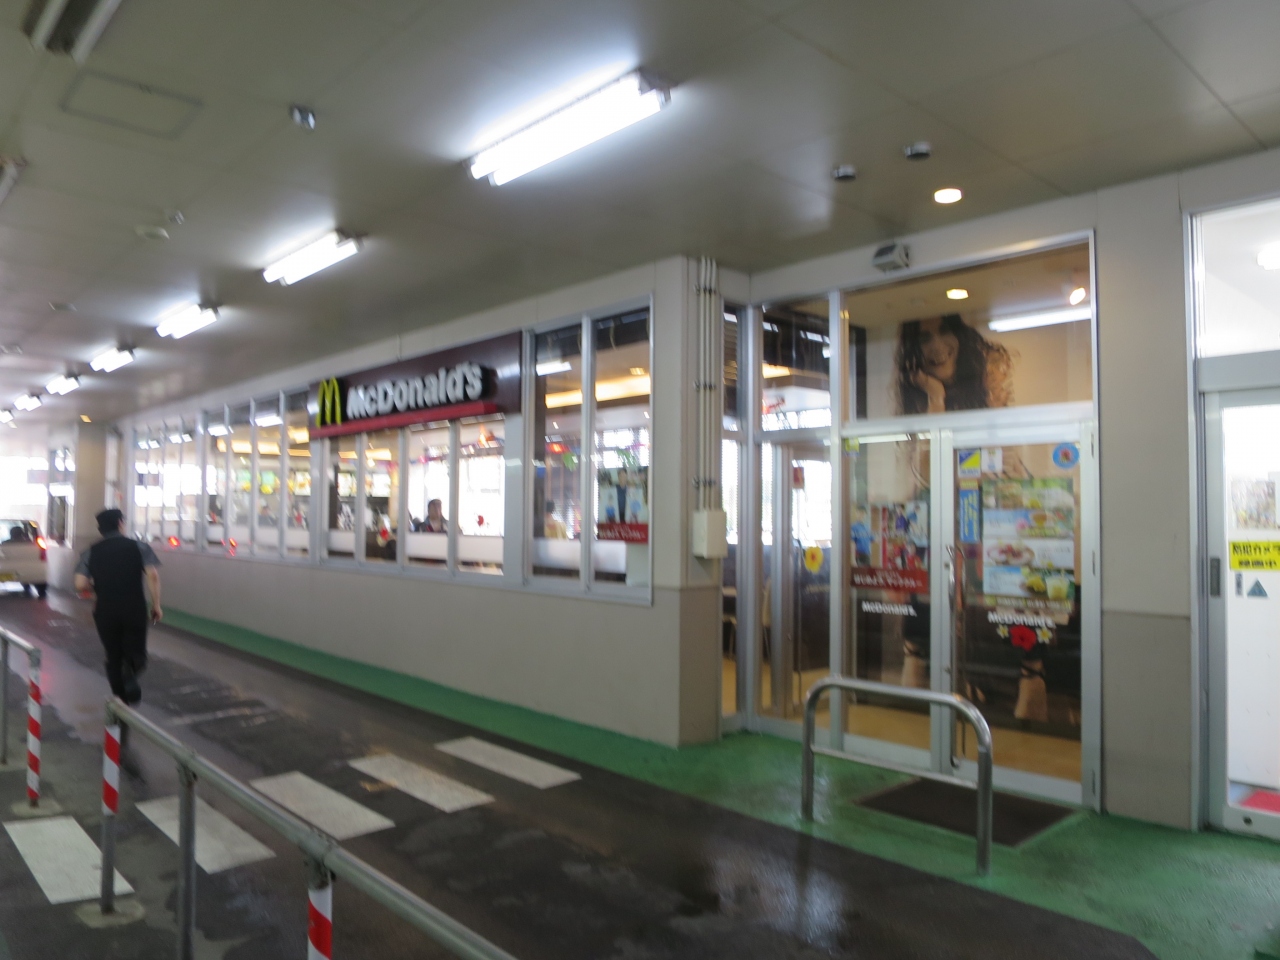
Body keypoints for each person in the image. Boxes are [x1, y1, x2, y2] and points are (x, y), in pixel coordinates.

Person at [74, 509, 162, 707]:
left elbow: (80, 584)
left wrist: (98, 586)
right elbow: (153, 576)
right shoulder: (138, 546)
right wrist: (156, 605)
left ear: (101, 529)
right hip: (134, 608)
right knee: (137, 653)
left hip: (105, 610)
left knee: (113, 656)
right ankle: (130, 672)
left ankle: (119, 703)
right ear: (121, 523)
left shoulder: (91, 551)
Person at [896, 313, 1013, 414]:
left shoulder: (987, 388)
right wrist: (936, 397)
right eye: (924, 339)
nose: (937, 346)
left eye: (944, 331)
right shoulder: (915, 402)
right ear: (913, 353)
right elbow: (932, 434)